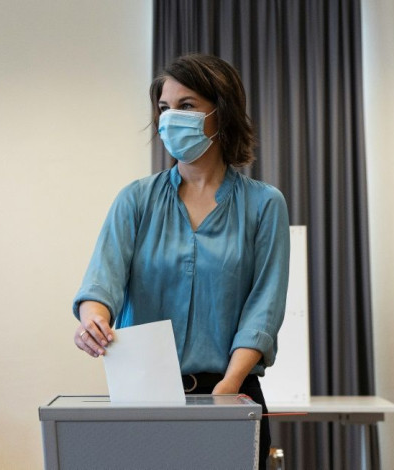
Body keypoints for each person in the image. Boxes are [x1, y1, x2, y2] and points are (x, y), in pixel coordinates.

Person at [72, 54, 290, 469]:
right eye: (164, 108)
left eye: (186, 106)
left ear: (220, 112)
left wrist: (226, 390)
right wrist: (92, 320)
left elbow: (264, 309)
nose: (171, 118)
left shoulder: (264, 205)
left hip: (231, 393)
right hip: (144, 396)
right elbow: (101, 284)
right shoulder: (135, 199)